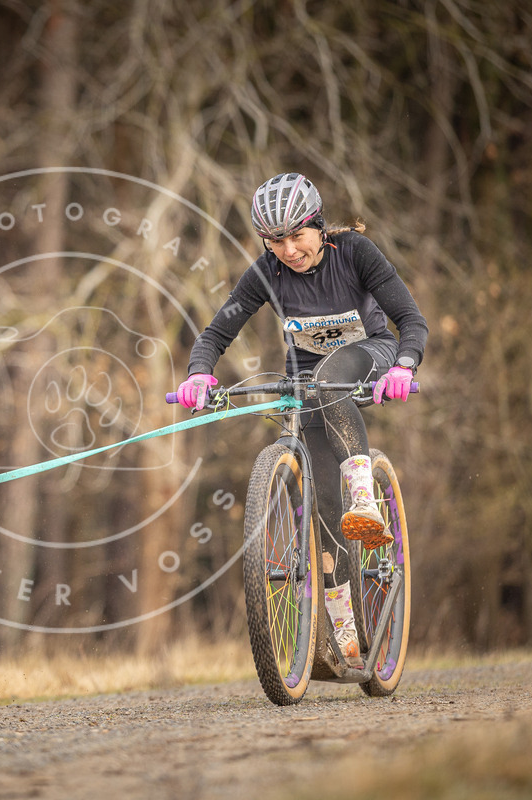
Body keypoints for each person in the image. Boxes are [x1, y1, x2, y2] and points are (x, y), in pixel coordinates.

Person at [175, 172, 428, 667]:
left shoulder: (354, 251)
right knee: (325, 514)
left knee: (331, 376)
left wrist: (405, 364)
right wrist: (199, 375)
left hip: (370, 356)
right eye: (276, 240)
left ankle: (366, 499)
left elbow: (411, 321)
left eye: (297, 236)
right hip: (308, 385)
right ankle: (344, 633)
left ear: (318, 226)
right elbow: (214, 334)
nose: (289, 250)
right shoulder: (266, 272)